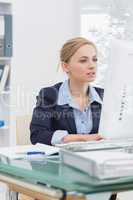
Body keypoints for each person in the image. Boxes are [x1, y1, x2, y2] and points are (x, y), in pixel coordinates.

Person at [30, 37, 116, 200]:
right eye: (83, 60)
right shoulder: (49, 95)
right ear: (66, 66)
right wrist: (81, 138)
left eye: (94, 59)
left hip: (98, 174)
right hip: (59, 177)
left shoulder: (106, 96)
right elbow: (37, 135)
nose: (92, 65)